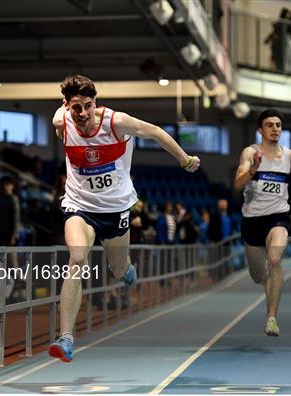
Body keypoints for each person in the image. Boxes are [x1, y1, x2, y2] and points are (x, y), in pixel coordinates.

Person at [48, 75, 200, 362]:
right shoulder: (62, 122)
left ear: (96, 103)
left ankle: (125, 267)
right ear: (67, 106)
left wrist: (185, 159)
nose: (82, 114)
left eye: (87, 106)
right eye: (76, 107)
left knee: (117, 269)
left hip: (116, 209)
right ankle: (66, 337)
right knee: (77, 259)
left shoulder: (116, 122)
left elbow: (155, 131)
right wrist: (63, 108)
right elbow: (59, 114)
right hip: (79, 206)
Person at [235, 108, 291, 336]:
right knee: (259, 275)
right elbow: (238, 184)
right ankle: (265, 282)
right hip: (252, 220)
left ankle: (271, 317)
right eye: (270, 125)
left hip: (278, 217)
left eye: (278, 125)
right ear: (260, 130)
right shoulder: (250, 153)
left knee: (275, 259)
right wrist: (253, 169)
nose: (275, 129)